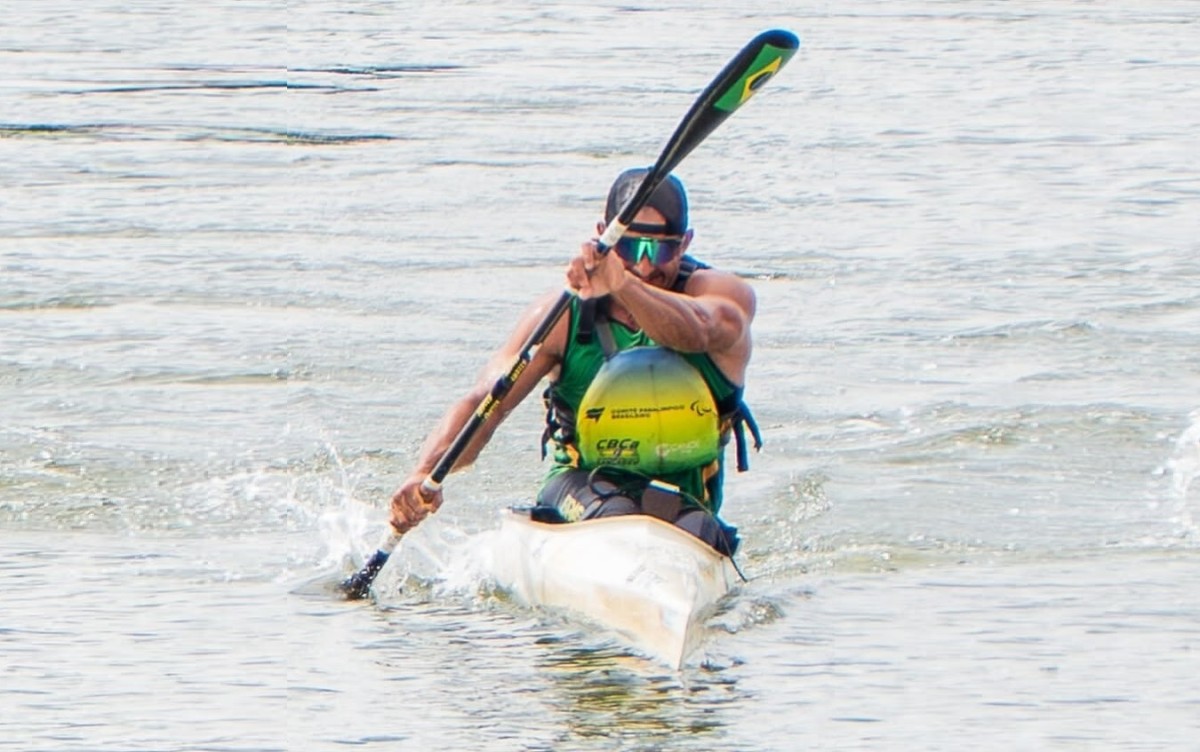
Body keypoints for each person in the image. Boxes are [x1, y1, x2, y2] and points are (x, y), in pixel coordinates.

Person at [389, 167, 761, 555]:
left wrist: (623, 283)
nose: (646, 265)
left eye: (661, 249)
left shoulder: (723, 297)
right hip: (580, 489)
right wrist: (426, 474)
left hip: (685, 510)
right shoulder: (561, 317)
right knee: (614, 513)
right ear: (604, 235)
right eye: (631, 248)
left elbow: (701, 330)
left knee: (699, 527)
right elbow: (486, 402)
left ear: (684, 244)